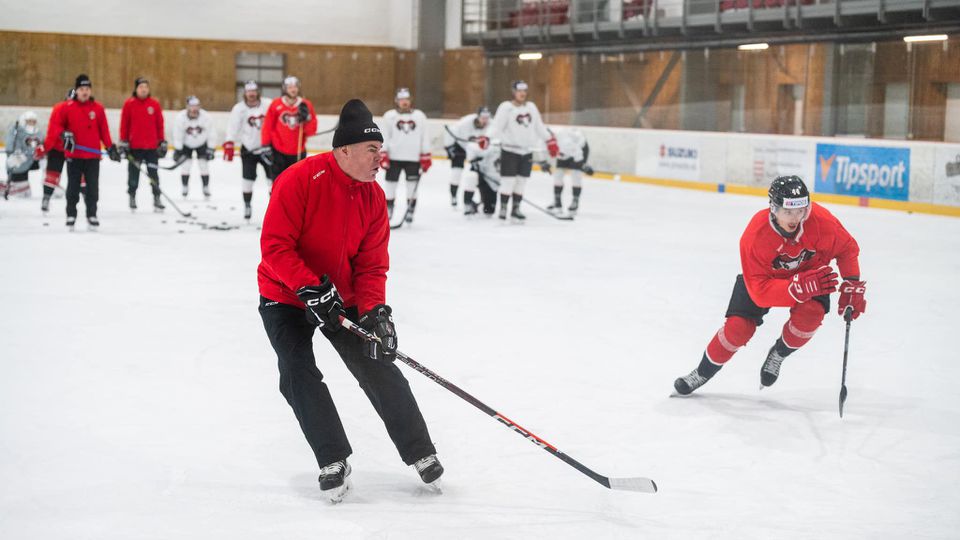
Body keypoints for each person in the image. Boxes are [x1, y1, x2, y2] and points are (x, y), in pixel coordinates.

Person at [258, 98, 442, 503]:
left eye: (380, 150)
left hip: (342, 297)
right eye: (372, 150)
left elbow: (373, 266)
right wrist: (308, 287)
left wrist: (376, 311)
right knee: (296, 370)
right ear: (344, 150)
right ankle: (333, 458)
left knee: (376, 362)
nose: (381, 158)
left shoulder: (374, 198)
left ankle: (420, 451)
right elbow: (275, 245)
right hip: (285, 295)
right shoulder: (298, 180)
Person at [673, 176, 867, 395]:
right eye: (788, 212)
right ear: (774, 209)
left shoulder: (821, 221)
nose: (796, 218)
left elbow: (847, 249)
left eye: (801, 210)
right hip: (766, 280)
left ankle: (779, 353)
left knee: (811, 315)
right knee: (738, 329)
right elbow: (759, 292)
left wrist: (851, 283)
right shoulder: (755, 235)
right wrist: (795, 289)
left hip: (809, 277)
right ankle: (702, 372)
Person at [42, 74, 121, 230]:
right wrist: (64, 134)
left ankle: (92, 215)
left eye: (87, 89)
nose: (85, 92)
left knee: (92, 188)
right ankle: (71, 215)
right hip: (74, 156)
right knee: (73, 187)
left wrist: (110, 147)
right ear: (76, 90)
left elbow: (104, 130)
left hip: (93, 156)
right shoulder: (66, 107)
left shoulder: (98, 108)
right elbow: (56, 126)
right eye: (81, 89)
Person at [487, 80, 558, 221]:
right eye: (519, 91)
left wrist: (550, 140)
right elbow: (496, 126)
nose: (522, 93)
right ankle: (503, 209)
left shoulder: (531, 107)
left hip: (526, 151)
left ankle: (516, 208)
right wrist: (487, 137)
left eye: (525, 91)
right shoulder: (506, 107)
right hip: (509, 150)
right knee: (508, 181)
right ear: (513, 92)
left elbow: (539, 126)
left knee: (521, 181)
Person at [380, 88, 431, 223]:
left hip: (413, 158)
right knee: (390, 184)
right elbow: (384, 136)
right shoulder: (389, 116)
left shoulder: (419, 116)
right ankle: (389, 209)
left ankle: (410, 210)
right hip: (394, 157)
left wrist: (425, 156)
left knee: (412, 185)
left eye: (407, 99)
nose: (404, 102)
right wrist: (383, 154)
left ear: (410, 100)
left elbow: (424, 137)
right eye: (401, 99)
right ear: (397, 101)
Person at [225, 80, 273, 220]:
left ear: (258, 92)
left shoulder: (268, 104)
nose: (251, 94)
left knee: (272, 181)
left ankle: (274, 208)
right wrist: (229, 142)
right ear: (244, 93)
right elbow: (232, 127)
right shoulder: (238, 109)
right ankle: (247, 205)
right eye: (248, 91)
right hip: (249, 150)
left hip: (267, 149)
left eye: (253, 91)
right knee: (247, 180)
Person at [120, 77, 167, 211]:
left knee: (154, 173)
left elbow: (160, 125)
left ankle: (157, 197)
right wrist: (124, 141)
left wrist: (161, 141)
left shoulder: (154, 104)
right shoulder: (129, 104)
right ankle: (132, 196)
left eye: (146, 87)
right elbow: (124, 125)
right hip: (135, 147)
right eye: (141, 87)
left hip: (152, 147)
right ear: (136, 89)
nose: (144, 89)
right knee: (133, 174)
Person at [261, 75, 317, 179]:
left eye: (295, 86)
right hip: (278, 151)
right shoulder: (276, 104)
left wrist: (307, 119)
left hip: (298, 152)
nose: (293, 89)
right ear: (284, 89)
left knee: (296, 184)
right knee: (278, 182)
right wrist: (265, 146)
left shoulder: (306, 105)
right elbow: (267, 126)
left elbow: (311, 131)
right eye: (290, 87)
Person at [443, 106, 490, 208]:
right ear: (478, 116)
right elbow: (451, 131)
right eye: (483, 117)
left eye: (487, 117)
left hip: (476, 151)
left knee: (479, 175)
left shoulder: (491, 124)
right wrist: (449, 147)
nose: (485, 120)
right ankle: (454, 196)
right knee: (456, 172)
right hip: (461, 147)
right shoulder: (466, 122)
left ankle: (482, 200)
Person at [40, 88, 76, 213]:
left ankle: (89, 201)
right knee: (52, 175)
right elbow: (53, 130)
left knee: (81, 176)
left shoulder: (83, 110)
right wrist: (46, 147)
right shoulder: (59, 108)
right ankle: (46, 198)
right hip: (58, 148)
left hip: (74, 149)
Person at [173, 96, 215, 199]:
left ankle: (206, 187)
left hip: (202, 143)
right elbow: (177, 134)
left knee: (203, 165)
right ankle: (185, 187)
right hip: (186, 144)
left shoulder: (206, 117)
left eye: (196, 106)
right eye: (192, 106)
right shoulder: (180, 117)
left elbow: (211, 133)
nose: (194, 109)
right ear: (187, 106)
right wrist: (178, 149)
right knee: (186, 166)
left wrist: (211, 148)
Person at [548, 128, 592, 215]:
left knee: (576, 175)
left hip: (579, 150)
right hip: (565, 151)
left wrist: (582, 165)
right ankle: (557, 202)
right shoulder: (546, 139)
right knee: (558, 174)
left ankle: (575, 202)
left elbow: (577, 153)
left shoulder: (564, 142)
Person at [4, 111, 44, 199]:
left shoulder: (38, 133)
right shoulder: (17, 130)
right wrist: (14, 153)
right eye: (29, 121)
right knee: (23, 192)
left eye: (33, 121)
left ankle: (50, 184)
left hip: (32, 160)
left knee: (46, 162)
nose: (31, 123)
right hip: (20, 162)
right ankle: (10, 186)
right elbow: (11, 144)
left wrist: (41, 154)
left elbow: (42, 145)